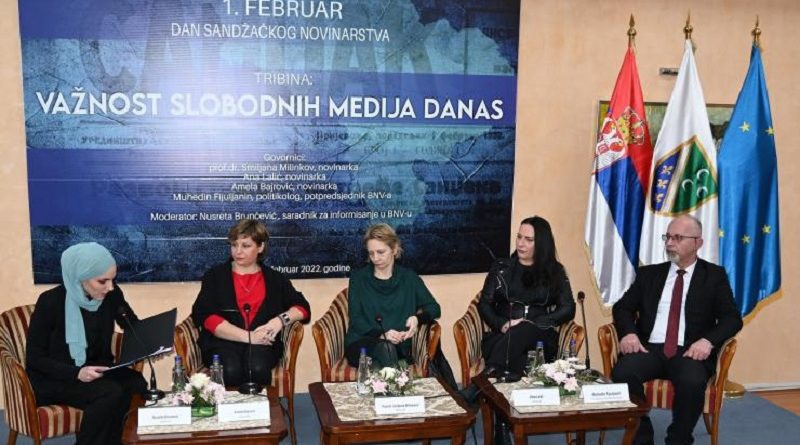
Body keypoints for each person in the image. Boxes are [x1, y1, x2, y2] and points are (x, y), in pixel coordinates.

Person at [611, 215, 743, 445]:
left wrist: (708, 341)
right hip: (649, 349)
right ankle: (641, 437)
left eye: (678, 238)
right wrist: (628, 333)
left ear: (698, 243)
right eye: (668, 237)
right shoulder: (649, 274)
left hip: (690, 351)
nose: (670, 243)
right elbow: (622, 307)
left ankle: (679, 439)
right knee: (623, 372)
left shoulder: (714, 276)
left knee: (692, 380)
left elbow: (732, 318)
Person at [26, 242, 147, 445]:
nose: (110, 287)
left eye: (112, 280)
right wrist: (77, 373)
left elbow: (131, 324)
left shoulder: (111, 295)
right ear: (80, 277)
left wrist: (152, 339)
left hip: (97, 369)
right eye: (102, 281)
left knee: (136, 383)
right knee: (110, 392)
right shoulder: (50, 302)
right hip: (58, 377)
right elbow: (35, 358)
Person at [192, 219, 311, 387]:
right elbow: (206, 317)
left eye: (246, 246)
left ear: (260, 247)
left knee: (257, 368)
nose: (238, 251)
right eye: (234, 245)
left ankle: (262, 405)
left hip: (263, 342)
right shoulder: (215, 276)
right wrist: (249, 337)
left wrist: (278, 322)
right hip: (223, 342)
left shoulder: (274, 279)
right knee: (230, 370)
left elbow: (302, 308)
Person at [478, 215, 576, 379]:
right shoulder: (501, 268)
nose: (521, 244)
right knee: (522, 363)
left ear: (542, 244)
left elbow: (568, 308)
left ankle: (483, 379)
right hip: (503, 336)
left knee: (524, 329)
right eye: (519, 237)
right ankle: (496, 380)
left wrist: (534, 323)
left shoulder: (555, 271)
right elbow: (484, 304)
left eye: (528, 240)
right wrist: (502, 324)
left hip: (540, 339)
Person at [344, 223, 441, 369]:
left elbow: (434, 308)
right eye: (371, 253)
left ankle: (379, 381)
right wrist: (382, 335)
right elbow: (356, 319)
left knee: (382, 359)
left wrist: (417, 319)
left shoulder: (409, 278)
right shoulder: (358, 279)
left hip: (397, 345)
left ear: (394, 249)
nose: (375, 258)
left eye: (380, 252)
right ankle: (395, 381)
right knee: (385, 349)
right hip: (362, 344)